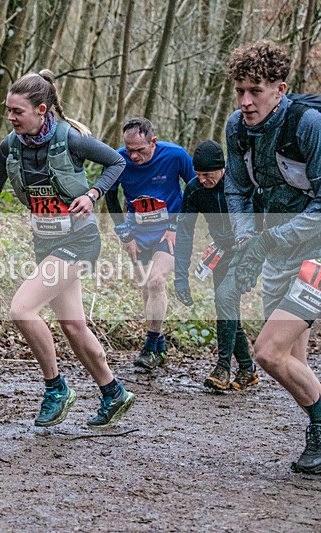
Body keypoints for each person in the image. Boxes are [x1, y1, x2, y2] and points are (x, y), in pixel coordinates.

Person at [0, 70, 135, 427]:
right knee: (73, 326)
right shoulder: (10, 145)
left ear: (41, 110)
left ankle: (55, 388)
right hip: (45, 242)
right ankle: (113, 392)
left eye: (17, 111)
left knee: (22, 309)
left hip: (79, 240)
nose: (11, 117)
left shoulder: (71, 139)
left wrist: (92, 194)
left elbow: (117, 162)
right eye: (8, 110)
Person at [225, 40, 321, 474]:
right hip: (278, 251)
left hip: (315, 250)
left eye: (256, 91)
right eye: (240, 91)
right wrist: (248, 239)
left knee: (267, 352)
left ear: (280, 90)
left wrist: (267, 241)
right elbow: (237, 189)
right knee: (292, 363)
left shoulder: (308, 125)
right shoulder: (237, 128)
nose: (246, 102)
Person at [105, 118, 193, 371]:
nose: (133, 156)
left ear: (153, 142)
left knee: (156, 281)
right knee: (146, 287)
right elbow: (110, 195)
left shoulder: (175, 155)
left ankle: (149, 346)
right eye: (129, 149)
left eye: (140, 150)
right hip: (138, 234)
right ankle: (159, 346)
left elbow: (195, 189)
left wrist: (176, 226)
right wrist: (125, 234)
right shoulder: (118, 159)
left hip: (169, 233)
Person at [173, 140, 258, 391]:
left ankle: (222, 367)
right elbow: (184, 233)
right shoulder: (194, 190)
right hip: (222, 252)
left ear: (222, 168)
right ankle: (247, 369)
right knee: (226, 306)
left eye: (207, 174)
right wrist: (181, 278)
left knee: (224, 298)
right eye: (197, 174)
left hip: (248, 250)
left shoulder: (242, 182)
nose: (201, 180)